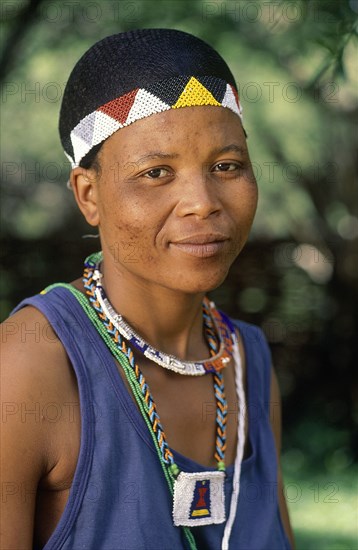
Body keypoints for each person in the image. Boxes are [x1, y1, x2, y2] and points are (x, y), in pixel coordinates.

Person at [1, 29, 295, 549]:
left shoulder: (247, 362)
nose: (201, 202)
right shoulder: (27, 368)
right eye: (157, 172)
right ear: (89, 195)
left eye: (226, 166)